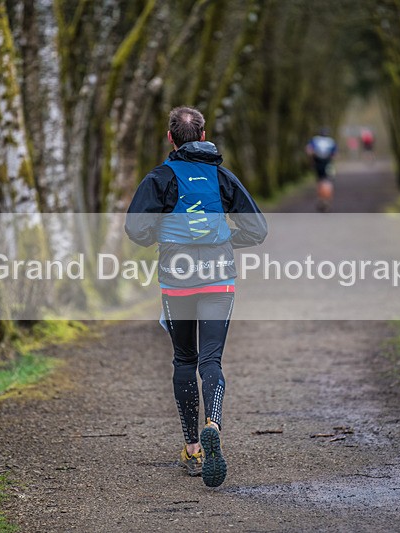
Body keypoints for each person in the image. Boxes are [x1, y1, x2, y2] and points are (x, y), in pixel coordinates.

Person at [124, 106, 267, 488]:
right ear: (204, 136)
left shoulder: (159, 178)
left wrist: (166, 239)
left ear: (171, 138)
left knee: (184, 359)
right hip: (219, 279)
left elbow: (135, 229)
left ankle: (192, 448)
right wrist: (223, 242)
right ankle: (213, 423)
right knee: (211, 359)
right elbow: (257, 229)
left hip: (177, 280)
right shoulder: (222, 177)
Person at [306, 128, 337, 212]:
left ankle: (321, 200)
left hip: (318, 163)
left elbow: (309, 150)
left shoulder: (315, 140)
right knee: (328, 181)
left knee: (320, 182)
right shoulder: (331, 141)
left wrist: (312, 159)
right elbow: (334, 155)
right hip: (328, 163)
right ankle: (327, 200)